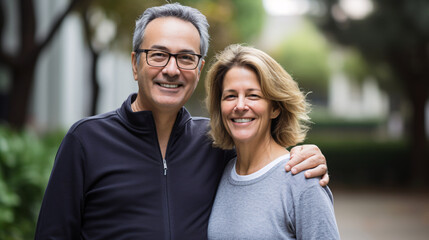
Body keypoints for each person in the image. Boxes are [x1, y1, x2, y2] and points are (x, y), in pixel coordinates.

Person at [35, 3, 329, 239]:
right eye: (158, 55)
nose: (172, 69)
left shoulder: (215, 143)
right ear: (135, 64)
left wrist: (307, 155)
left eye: (186, 58)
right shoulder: (86, 141)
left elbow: (264, 164)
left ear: (199, 69)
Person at [206, 44, 340, 239]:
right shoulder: (221, 172)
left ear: (275, 108)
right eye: (231, 96)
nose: (240, 105)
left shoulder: (302, 178)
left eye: (253, 95)